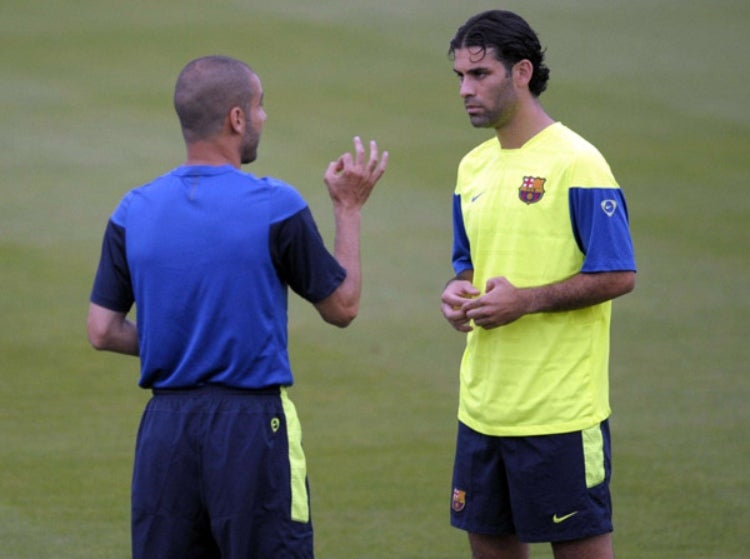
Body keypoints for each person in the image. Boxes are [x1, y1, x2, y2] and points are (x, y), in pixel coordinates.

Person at [87, 55, 388, 559]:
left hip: (165, 431)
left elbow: (102, 329)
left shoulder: (132, 209)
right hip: (252, 429)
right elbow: (343, 306)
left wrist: (178, 343)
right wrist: (348, 209)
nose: (264, 117)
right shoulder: (275, 205)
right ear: (236, 118)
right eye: (259, 105)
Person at [440, 11, 636, 559]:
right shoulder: (472, 168)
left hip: (560, 413)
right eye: (459, 76)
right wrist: (458, 295)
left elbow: (619, 272)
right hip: (482, 410)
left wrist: (526, 301)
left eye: (480, 74)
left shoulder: (578, 162)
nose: (465, 89)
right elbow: (468, 269)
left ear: (521, 72)